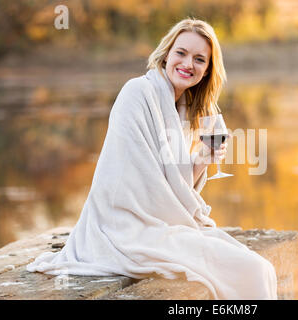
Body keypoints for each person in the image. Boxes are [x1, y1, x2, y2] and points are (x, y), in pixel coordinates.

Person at [26, 18, 278, 300]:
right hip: (125, 226)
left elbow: (173, 186)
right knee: (252, 269)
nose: (188, 64)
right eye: (180, 53)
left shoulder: (182, 108)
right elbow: (136, 183)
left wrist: (204, 157)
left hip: (160, 222)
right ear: (167, 53)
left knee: (260, 266)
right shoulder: (137, 93)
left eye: (199, 59)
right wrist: (177, 216)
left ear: (207, 70)